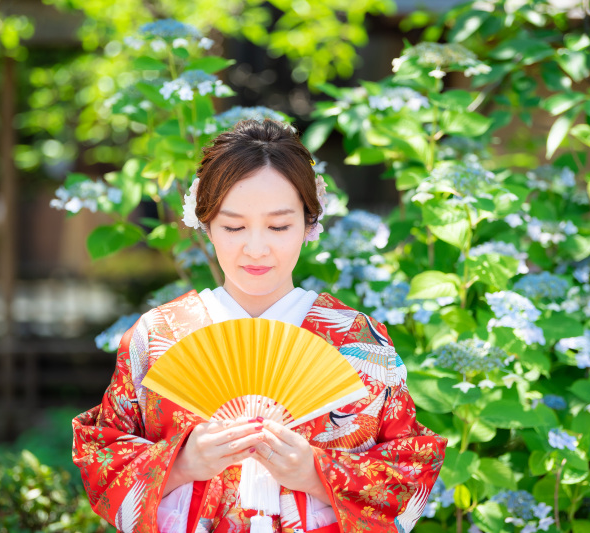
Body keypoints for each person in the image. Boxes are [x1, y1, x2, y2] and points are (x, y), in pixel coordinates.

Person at [72, 119, 447, 533]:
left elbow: (410, 467)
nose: (255, 248)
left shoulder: (358, 342)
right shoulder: (158, 336)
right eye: (233, 226)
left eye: (279, 226)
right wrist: (181, 464)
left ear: (309, 224)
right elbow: (102, 455)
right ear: (205, 223)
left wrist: (316, 472)